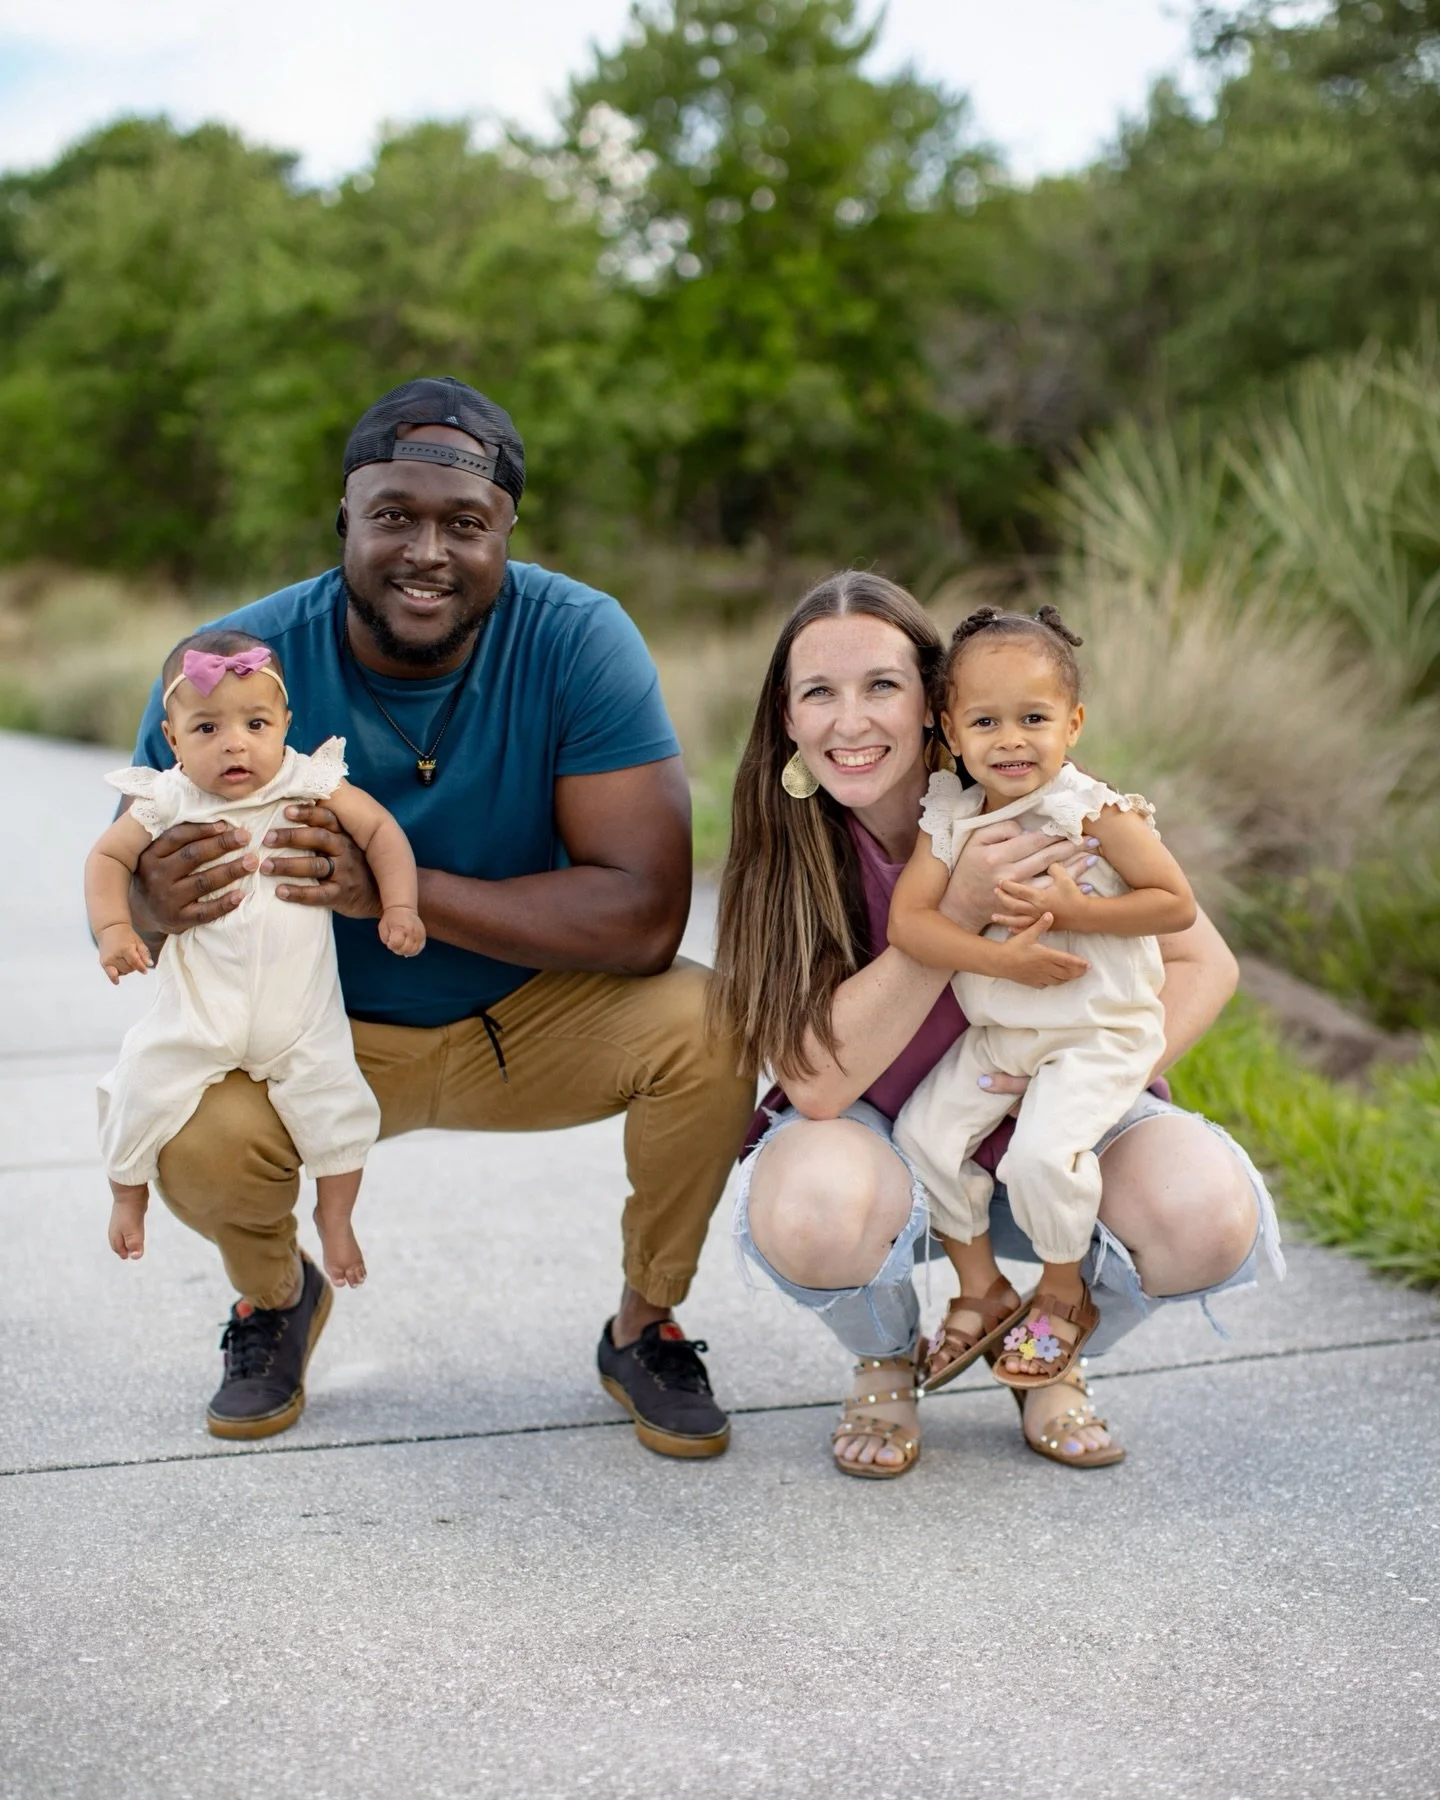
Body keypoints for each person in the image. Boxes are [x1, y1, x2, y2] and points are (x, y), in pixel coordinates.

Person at [123, 376, 754, 1452]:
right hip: (314, 1037)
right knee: (188, 1125)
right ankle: (275, 1301)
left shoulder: (577, 638)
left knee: (714, 1023)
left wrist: (393, 889)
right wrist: (153, 901)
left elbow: (647, 916)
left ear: (505, 531)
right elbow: (139, 894)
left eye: (465, 523)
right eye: (394, 516)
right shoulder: (234, 665)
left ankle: (644, 1324)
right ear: (345, 521)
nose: (428, 550)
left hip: (531, 1021)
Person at [710, 571, 1283, 1479]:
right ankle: (887, 1355)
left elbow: (1203, 959)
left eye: (882, 687)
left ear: (935, 709)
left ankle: (1047, 1345)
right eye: (819, 692)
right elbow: (815, 1083)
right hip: (881, 1146)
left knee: (1203, 1215)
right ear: (787, 719)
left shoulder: (1033, 801)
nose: (850, 722)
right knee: (814, 1208)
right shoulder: (784, 847)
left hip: (1042, 1099)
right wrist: (962, 915)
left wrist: (1086, 1078)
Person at [888, 603, 1198, 1399]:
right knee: (923, 1137)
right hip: (1005, 1027)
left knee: (1038, 1158)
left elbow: (1174, 904)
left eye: (1034, 717)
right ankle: (982, 1286)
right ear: (951, 733)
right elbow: (910, 923)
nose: (1011, 740)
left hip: (1097, 1028)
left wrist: (1079, 913)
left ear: (1075, 722)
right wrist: (998, 960)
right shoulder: (951, 815)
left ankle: (1062, 1291)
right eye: (985, 721)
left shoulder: (1090, 812)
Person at [89, 630, 424, 1313]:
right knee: (140, 1085)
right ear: (173, 739)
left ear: (286, 727)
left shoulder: (311, 782)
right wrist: (116, 929)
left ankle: (335, 1220)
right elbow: (106, 859)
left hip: (298, 1016)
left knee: (339, 1109)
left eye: (256, 724)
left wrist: (400, 906)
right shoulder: (169, 799)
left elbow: (383, 832)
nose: (234, 744)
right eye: (207, 727)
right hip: (201, 1015)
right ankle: (128, 1195)